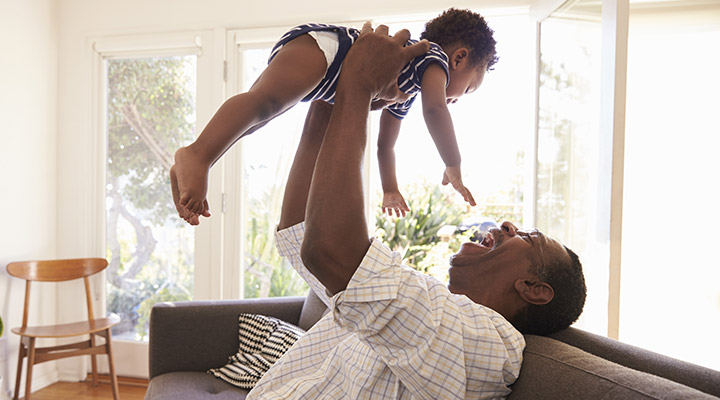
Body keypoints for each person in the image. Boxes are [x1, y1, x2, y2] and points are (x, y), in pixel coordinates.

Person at [246, 23, 587, 399]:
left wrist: (356, 87)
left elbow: (329, 254)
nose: (508, 224)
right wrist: (331, 98)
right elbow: (301, 233)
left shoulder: (493, 344)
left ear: (535, 290)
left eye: (528, 238)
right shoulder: (422, 297)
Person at [171, 8, 499, 225]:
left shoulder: (404, 89)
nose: (456, 100)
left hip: (324, 77)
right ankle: (197, 155)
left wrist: (390, 189)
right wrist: (453, 164)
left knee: (259, 117)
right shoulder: (433, 58)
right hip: (329, 50)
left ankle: (196, 161)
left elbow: (386, 146)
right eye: (468, 88)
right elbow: (436, 110)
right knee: (264, 104)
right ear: (459, 58)